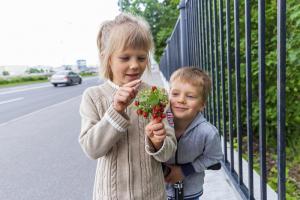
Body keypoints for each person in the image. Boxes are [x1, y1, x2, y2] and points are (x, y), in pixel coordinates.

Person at [78, 13, 177, 200]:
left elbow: (169, 151)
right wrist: (115, 110)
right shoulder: (94, 97)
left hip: (152, 195)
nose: (134, 65)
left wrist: (158, 142)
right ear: (107, 58)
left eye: (141, 57)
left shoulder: (156, 95)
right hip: (110, 195)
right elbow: (92, 149)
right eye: (125, 58)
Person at [164, 67, 223, 200]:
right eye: (175, 94)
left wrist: (185, 170)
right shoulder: (159, 123)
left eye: (190, 96)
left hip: (190, 193)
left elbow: (214, 157)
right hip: (159, 189)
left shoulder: (208, 132)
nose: (181, 100)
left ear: (202, 104)